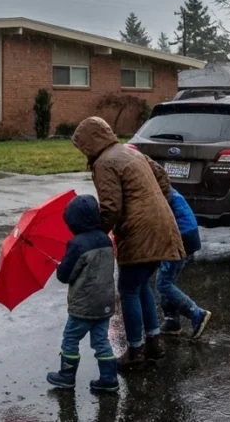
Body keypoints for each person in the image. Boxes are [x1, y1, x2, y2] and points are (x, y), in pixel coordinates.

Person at [72, 117, 185, 371]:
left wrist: (95, 236)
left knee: (129, 289)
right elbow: (162, 177)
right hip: (162, 224)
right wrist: (156, 205)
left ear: (91, 142)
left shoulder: (104, 162)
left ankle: (135, 350)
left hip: (140, 231)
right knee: (142, 284)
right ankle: (154, 341)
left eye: (82, 146)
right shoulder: (128, 152)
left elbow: (111, 208)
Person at [46, 195, 119, 393]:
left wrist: (60, 266)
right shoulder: (105, 239)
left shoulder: (77, 244)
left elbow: (65, 275)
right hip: (104, 303)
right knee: (101, 341)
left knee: (70, 339)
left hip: (83, 306)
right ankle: (109, 378)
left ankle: (67, 377)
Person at [157, 189, 212, 339]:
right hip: (189, 234)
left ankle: (196, 313)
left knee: (164, 284)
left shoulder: (157, 193)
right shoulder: (166, 189)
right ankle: (171, 321)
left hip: (180, 236)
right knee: (168, 280)